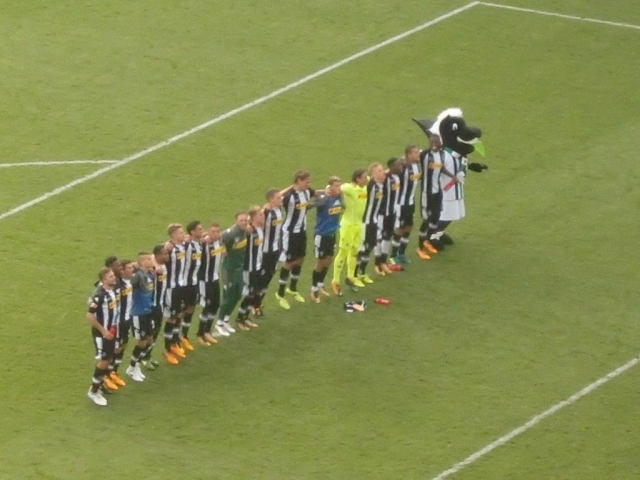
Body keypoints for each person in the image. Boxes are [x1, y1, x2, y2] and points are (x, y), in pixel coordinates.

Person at [276, 170, 322, 308]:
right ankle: (280, 293)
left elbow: (316, 193)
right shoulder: (288, 196)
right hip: (289, 233)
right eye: (306, 182)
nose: (308, 184)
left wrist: (327, 192)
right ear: (298, 180)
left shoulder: (306, 191)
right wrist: (291, 187)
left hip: (301, 231)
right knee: (289, 262)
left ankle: (292, 288)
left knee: (300, 258)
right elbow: (276, 198)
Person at [331, 168, 369, 293]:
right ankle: (335, 281)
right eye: (364, 178)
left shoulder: (364, 186)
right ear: (357, 179)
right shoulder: (349, 188)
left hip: (358, 224)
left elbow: (373, 177)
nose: (366, 179)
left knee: (354, 251)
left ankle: (350, 277)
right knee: (343, 252)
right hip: (348, 226)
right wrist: (328, 191)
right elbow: (334, 188)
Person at [86, 268, 118, 406]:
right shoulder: (100, 295)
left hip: (111, 332)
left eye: (113, 275)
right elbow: (89, 315)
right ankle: (93, 391)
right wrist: (104, 331)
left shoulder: (112, 290)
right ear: (104, 280)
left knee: (108, 359)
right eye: (110, 276)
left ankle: (99, 384)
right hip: (102, 334)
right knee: (103, 361)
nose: (114, 278)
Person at [215, 212, 250, 336]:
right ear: (236, 221)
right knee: (228, 297)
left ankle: (225, 320)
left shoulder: (244, 232)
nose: (244, 222)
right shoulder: (231, 233)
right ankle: (219, 323)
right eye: (241, 220)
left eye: (245, 220)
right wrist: (222, 248)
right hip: (229, 270)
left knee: (237, 295)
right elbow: (218, 238)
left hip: (239, 269)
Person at [310, 176, 342, 303]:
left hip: (332, 234)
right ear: (330, 186)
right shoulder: (324, 199)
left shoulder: (339, 197)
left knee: (329, 260)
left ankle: (320, 283)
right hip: (321, 235)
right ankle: (313, 289)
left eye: (339, 185)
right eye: (336, 186)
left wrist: (328, 190)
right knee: (320, 262)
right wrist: (324, 192)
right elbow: (311, 203)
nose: (339, 188)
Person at [126, 252, 155, 382]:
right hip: (138, 313)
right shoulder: (137, 276)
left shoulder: (149, 274)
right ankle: (132, 368)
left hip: (147, 311)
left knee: (149, 339)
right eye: (149, 259)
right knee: (141, 342)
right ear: (143, 262)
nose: (151, 260)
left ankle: (136, 364)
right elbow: (128, 286)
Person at [417, 135, 446, 259]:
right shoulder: (424, 154)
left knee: (436, 216)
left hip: (437, 191)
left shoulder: (442, 154)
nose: (434, 144)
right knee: (426, 219)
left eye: (436, 142)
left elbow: (441, 168)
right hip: (426, 193)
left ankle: (427, 240)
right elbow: (410, 159)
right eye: (432, 142)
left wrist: (452, 176)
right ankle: (420, 248)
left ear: (439, 143)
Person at [390, 145, 421, 264]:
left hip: (411, 202)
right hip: (401, 204)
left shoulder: (417, 165)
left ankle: (402, 253)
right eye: (415, 152)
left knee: (409, 227)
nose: (418, 154)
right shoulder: (402, 166)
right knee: (399, 229)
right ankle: (393, 255)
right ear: (409, 154)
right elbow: (390, 172)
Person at [356, 163, 386, 283]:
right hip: (366, 222)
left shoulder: (380, 186)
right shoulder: (370, 185)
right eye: (379, 171)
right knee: (362, 248)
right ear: (373, 175)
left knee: (370, 246)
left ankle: (362, 272)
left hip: (374, 221)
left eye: (382, 170)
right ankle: (354, 275)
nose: (383, 172)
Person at [162, 224, 188, 364]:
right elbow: (156, 255)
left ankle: (175, 342)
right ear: (173, 236)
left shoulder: (182, 246)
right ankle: (167, 349)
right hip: (171, 288)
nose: (183, 234)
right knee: (171, 318)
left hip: (181, 286)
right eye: (180, 233)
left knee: (179, 314)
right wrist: (166, 246)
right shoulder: (168, 248)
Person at [236, 206, 265, 330]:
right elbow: (239, 229)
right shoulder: (250, 231)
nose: (263, 216)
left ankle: (245, 316)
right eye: (260, 215)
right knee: (250, 293)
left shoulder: (260, 228)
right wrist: (246, 223)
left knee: (255, 293)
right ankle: (240, 318)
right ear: (253, 217)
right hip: (249, 267)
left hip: (257, 266)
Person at [141, 244, 168, 368]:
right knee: (149, 335)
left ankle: (147, 356)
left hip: (160, 305)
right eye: (164, 254)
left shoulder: (164, 266)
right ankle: (142, 358)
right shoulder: (152, 269)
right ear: (157, 255)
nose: (167, 256)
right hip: (151, 307)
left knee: (155, 333)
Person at [196, 223, 223, 346]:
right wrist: (202, 238)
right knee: (207, 306)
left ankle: (207, 331)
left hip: (215, 279)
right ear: (208, 232)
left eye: (218, 231)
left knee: (216, 304)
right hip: (204, 280)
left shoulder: (220, 241)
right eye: (213, 231)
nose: (216, 234)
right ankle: (200, 333)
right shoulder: (204, 244)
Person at [375, 158, 402, 275]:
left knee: (388, 236)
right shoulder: (385, 178)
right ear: (391, 167)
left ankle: (383, 262)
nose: (400, 167)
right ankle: (377, 263)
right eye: (398, 165)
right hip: (382, 213)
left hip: (392, 212)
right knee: (379, 237)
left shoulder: (397, 177)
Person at [180, 220, 204, 351]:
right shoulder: (186, 245)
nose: (202, 231)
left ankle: (183, 336)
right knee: (181, 311)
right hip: (185, 283)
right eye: (199, 229)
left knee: (191, 309)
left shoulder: (199, 244)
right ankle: (175, 338)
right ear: (192, 232)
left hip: (195, 282)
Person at [110, 259, 134, 387]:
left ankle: (114, 371)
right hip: (118, 321)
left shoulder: (129, 281)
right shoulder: (116, 283)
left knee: (124, 344)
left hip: (127, 318)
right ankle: (108, 373)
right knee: (116, 347)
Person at [260, 189, 284, 313]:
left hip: (275, 250)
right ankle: (254, 305)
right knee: (262, 279)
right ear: (271, 200)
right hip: (265, 251)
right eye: (278, 198)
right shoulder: (266, 212)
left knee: (269, 276)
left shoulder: (279, 209)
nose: (281, 199)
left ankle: (258, 303)